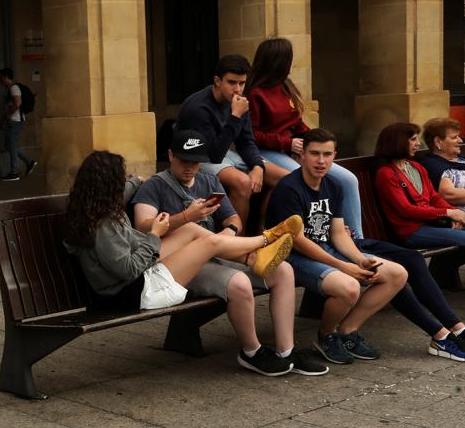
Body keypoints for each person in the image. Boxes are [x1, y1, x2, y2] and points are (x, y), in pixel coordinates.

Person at [62, 151, 301, 369]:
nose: (123, 184)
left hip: (136, 277)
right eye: (120, 179)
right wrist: (154, 235)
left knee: (191, 230)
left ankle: (251, 257)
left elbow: (126, 189)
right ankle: (266, 240)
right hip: (134, 290)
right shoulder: (103, 224)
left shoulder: (89, 205)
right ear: (108, 185)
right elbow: (129, 269)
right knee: (208, 243)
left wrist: (137, 181)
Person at [131, 130, 329, 376]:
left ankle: (286, 352)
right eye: (184, 160)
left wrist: (230, 232)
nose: (190, 167)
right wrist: (186, 217)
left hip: (220, 253)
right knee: (240, 283)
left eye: (196, 161)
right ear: (170, 156)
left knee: (284, 270)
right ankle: (251, 352)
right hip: (183, 266)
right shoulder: (155, 185)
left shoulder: (207, 180)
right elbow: (142, 226)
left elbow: (233, 218)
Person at [265, 129, 408, 364]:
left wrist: (359, 259)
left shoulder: (333, 185)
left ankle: (347, 331)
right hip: (291, 256)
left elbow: (338, 232)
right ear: (302, 156)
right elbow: (298, 241)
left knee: (397, 274)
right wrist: (343, 266)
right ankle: (327, 335)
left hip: (325, 249)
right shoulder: (289, 188)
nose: (321, 161)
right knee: (349, 287)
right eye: (315, 154)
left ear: (334, 156)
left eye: (327, 154)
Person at [373, 122, 465, 316]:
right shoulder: (386, 174)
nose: (417, 144)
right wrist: (446, 213)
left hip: (434, 224)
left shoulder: (416, 167)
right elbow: (405, 210)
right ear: (398, 142)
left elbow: (435, 197)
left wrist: (454, 212)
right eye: (412, 140)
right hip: (413, 231)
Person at [246, 37, 364, 238]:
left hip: (295, 148)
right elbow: (252, 135)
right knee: (302, 178)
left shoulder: (286, 87)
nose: (292, 64)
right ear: (279, 61)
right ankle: (311, 236)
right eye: (289, 59)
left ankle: (356, 238)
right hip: (268, 151)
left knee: (348, 179)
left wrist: (313, 141)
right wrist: (287, 143)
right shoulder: (256, 93)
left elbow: (297, 123)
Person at [177, 55, 289, 225]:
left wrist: (258, 166)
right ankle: (237, 243)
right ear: (217, 81)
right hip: (197, 156)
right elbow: (214, 155)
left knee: (286, 178)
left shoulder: (239, 102)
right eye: (231, 82)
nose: (237, 89)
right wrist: (235, 116)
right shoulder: (198, 108)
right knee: (242, 182)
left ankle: (263, 234)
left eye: (242, 83)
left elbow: (246, 141)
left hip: (224, 153)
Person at [0, 67, 36, 181]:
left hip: (15, 121)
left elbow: (17, 103)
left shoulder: (14, 88)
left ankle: (14, 172)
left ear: (5, 77)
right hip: (13, 121)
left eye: (1, 77)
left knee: (12, 145)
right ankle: (29, 162)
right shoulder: (10, 89)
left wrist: (9, 114)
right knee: (11, 145)